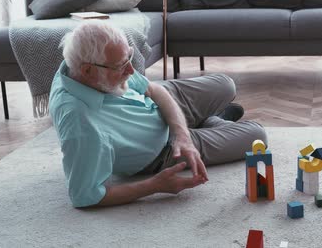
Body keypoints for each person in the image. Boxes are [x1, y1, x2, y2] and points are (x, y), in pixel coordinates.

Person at [49, 21, 267, 208]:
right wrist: (156, 185)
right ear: (87, 70)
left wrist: (182, 135)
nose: (131, 71)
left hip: (159, 102)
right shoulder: (80, 125)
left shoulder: (85, 64)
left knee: (226, 85)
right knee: (257, 136)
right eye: (121, 66)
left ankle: (207, 122)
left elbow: (152, 89)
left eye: (130, 59)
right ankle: (212, 120)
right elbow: (84, 197)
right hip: (162, 151)